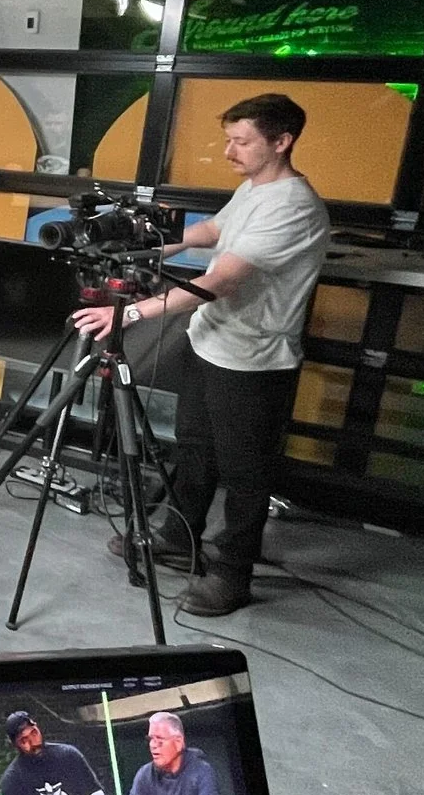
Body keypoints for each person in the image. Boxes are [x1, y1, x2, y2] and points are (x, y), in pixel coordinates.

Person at [73, 93, 330, 615]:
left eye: (242, 141)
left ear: (282, 142)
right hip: (209, 343)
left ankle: (233, 575)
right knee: (194, 450)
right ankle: (178, 538)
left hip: (254, 362)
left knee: (245, 474)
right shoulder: (255, 189)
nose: (230, 152)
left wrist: (131, 314)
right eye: (228, 139)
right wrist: (150, 246)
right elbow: (214, 231)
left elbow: (220, 281)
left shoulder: (293, 206)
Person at [0, 709, 110, 795]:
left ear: (37, 727)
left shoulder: (69, 756)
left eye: (34, 733)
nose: (33, 742)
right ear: (15, 744)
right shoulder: (12, 780)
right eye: (24, 740)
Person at [122, 711, 226, 795]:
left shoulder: (202, 770)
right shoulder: (145, 774)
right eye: (150, 739)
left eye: (159, 739)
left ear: (178, 742)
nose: (153, 745)